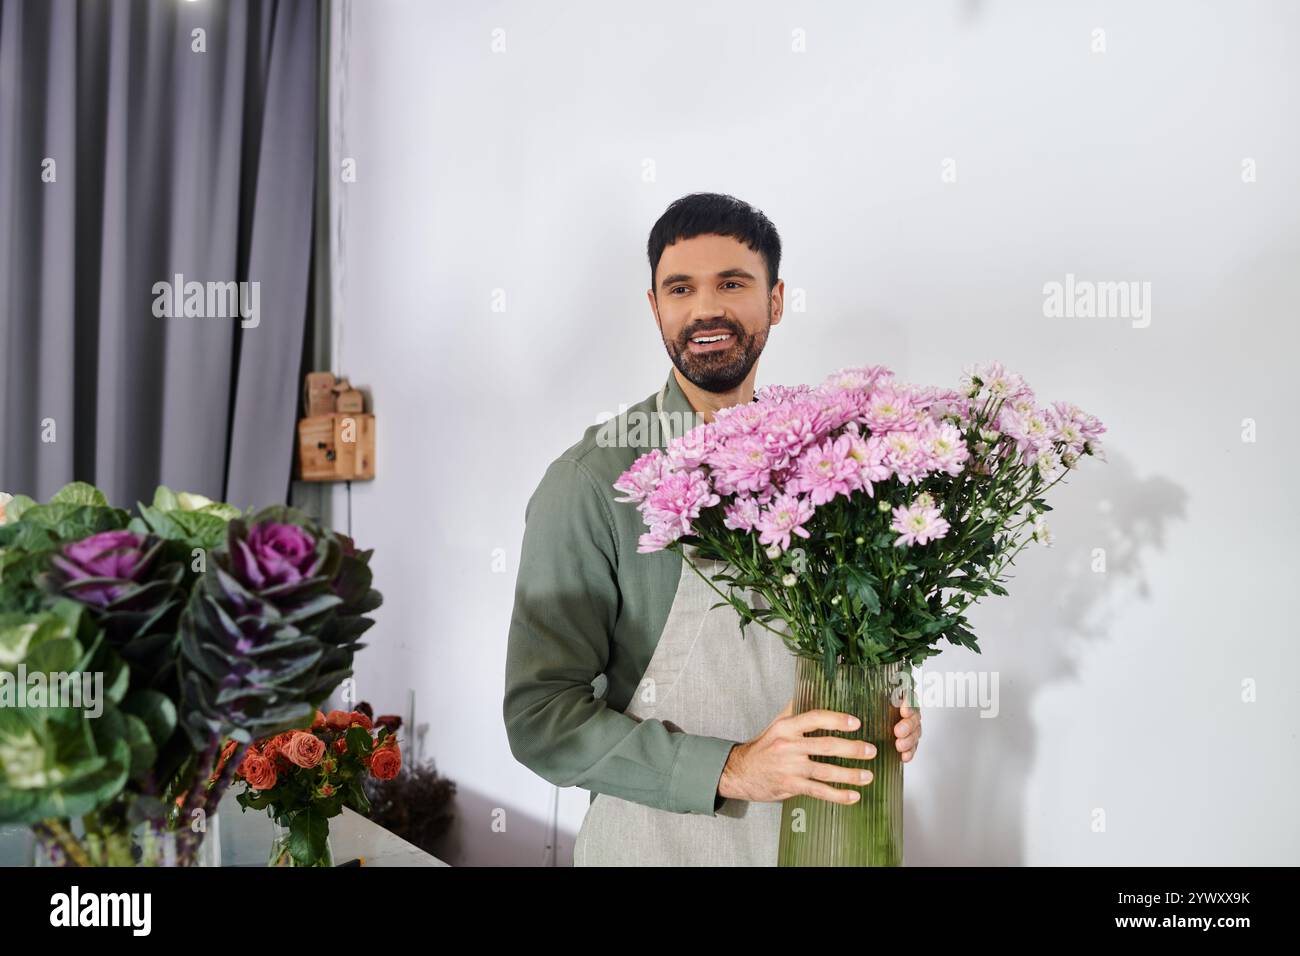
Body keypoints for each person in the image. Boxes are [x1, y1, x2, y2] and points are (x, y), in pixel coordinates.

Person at [503, 192, 921, 866]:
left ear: (776, 300)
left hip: (824, 843)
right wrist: (733, 769)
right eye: (681, 288)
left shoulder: (830, 465)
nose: (706, 309)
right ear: (655, 307)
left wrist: (889, 705)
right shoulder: (589, 483)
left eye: (732, 283)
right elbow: (540, 722)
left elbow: (851, 636)